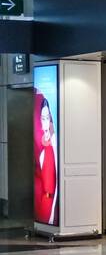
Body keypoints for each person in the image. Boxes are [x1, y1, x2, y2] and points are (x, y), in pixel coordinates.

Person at [34, 96, 57, 225]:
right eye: (43, 118)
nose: (45, 123)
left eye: (47, 118)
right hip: (44, 201)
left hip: (52, 199)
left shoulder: (55, 145)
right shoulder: (43, 150)